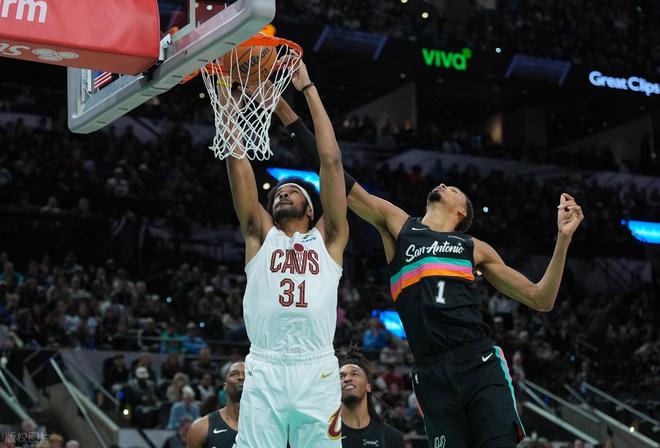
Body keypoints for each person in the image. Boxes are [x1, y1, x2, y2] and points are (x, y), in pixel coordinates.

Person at [273, 96, 584, 447]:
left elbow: (541, 299)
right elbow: (334, 171)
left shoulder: (474, 247)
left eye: (454, 189)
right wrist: (286, 113)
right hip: (430, 371)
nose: (444, 184)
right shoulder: (399, 226)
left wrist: (563, 239)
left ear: (461, 213)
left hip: (479, 362)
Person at [224, 61, 349, 447]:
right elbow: (237, 161)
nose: (283, 192)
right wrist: (227, 99)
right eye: (278, 192)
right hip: (265, 366)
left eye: (293, 191)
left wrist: (307, 88)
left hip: (317, 370)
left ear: (310, 210)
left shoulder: (328, 238)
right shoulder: (261, 236)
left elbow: (331, 162)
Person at [337, 346, 404, 448]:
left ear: (368, 386)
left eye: (354, 374)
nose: (347, 379)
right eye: (341, 376)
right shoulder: (324, 434)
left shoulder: (390, 436)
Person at [187, 361, 244, 448]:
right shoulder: (200, 428)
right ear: (225, 386)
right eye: (234, 374)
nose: (241, 377)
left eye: (246, 375)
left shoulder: (265, 426)